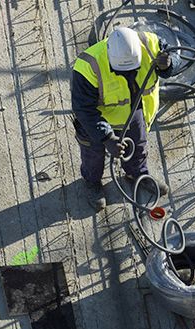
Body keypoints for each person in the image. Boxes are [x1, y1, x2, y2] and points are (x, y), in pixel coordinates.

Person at [71, 27, 177, 210]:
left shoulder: (150, 43)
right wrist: (107, 137)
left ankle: (138, 174)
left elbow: (176, 55)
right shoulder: (88, 66)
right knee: (93, 155)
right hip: (96, 120)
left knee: (138, 146)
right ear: (110, 55)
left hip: (133, 110)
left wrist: (169, 64)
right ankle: (92, 183)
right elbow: (83, 109)